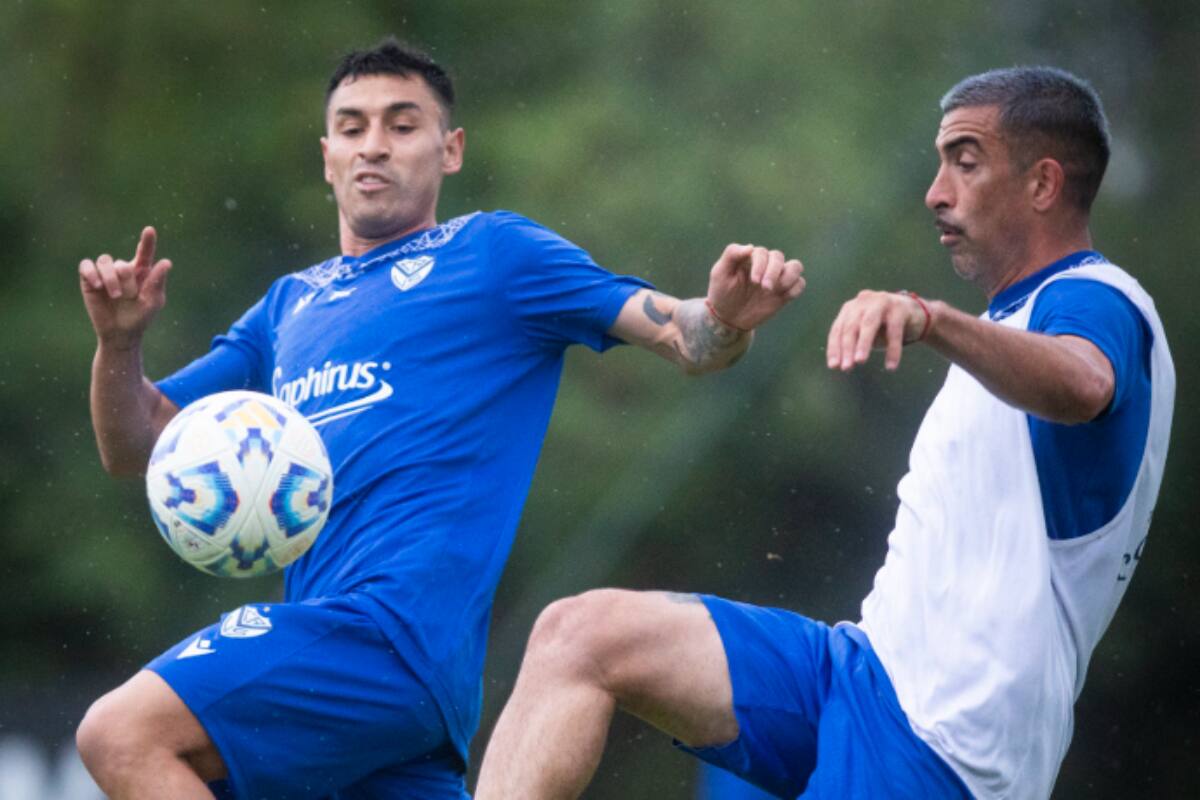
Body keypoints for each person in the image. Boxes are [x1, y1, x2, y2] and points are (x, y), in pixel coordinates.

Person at [72, 38, 805, 800]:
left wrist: (724, 316)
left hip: (386, 639)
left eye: (401, 124)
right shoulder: (288, 307)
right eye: (352, 129)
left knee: (120, 734)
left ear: (450, 149)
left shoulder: (494, 253)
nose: (373, 147)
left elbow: (683, 336)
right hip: (355, 689)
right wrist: (119, 344)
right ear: (326, 156)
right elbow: (136, 445)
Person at [474, 66, 1175, 800]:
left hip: (944, 750)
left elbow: (1085, 383)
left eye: (965, 163)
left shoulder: (1099, 298)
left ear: (1042, 185)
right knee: (579, 636)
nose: (936, 191)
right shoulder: (1014, 322)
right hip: (861, 673)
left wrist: (931, 318)